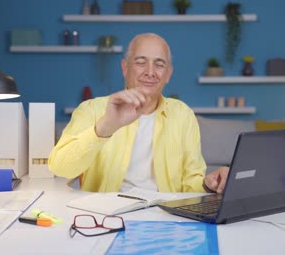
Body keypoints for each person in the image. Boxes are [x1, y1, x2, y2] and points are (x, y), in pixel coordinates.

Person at [49, 33, 228, 193]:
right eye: (141, 62)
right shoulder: (91, 110)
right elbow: (60, 168)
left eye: (159, 64)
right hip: (106, 218)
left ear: (168, 74)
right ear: (125, 68)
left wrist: (208, 183)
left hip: (166, 217)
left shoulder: (183, 115)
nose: (150, 72)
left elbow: (191, 183)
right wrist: (105, 127)